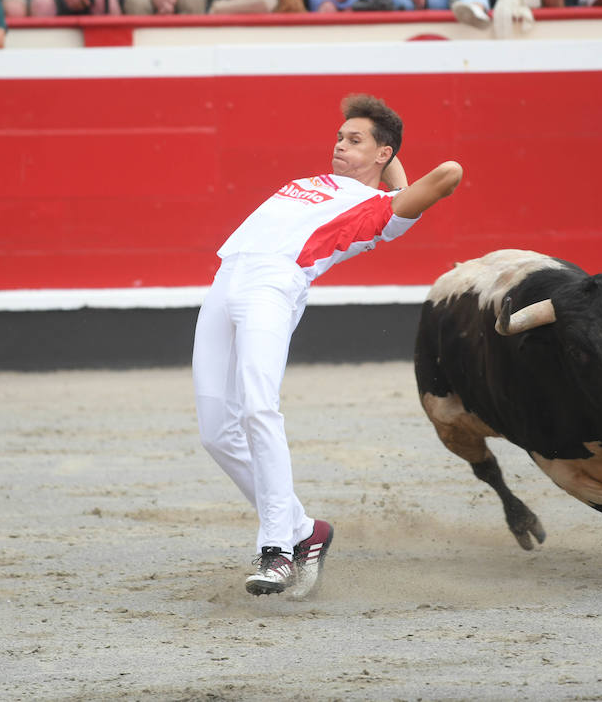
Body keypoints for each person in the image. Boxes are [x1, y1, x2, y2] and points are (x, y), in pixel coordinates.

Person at [193, 94, 462, 598]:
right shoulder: (310, 183)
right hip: (226, 280)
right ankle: (304, 531)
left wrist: (390, 158)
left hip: (274, 286)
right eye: (339, 137)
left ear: (383, 155)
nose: (339, 145)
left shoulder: (381, 210)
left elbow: (448, 172)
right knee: (215, 432)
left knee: (258, 408)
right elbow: (380, 156)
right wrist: (377, 145)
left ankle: (276, 552)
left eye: (354, 140)